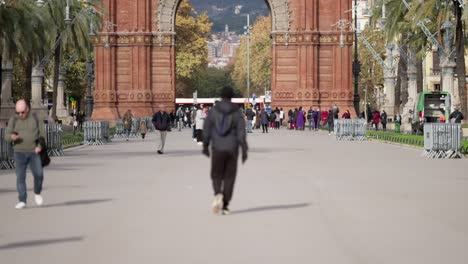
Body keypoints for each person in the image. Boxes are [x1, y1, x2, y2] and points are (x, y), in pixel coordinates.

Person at [202, 86, 248, 215]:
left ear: (221, 96)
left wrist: (205, 145)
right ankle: (225, 205)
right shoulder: (237, 112)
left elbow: (206, 128)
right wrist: (244, 149)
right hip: (232, 148)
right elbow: (241, 132)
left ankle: (217, 194)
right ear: (232, 96)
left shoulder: (213, 111)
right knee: (229, 177)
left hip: (217, 147)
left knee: (216, 174)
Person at [6, 100, 46, 209]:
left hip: (34, 152)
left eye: (22, 112)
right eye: (18, 112)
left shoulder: (35, 118)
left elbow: (42, 134)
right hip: (19, 152)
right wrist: (11, 137)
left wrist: (40, 146)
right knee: (20, 177)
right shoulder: (13, 120)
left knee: (39, 174)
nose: (20, 115)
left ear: (27, 108)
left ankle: (37, 192)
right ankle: (22, 200)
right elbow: (7, 135)